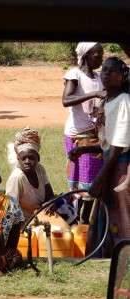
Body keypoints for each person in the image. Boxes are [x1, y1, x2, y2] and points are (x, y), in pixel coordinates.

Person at [68, 57, 130, 257]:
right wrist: (83, 149)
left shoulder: (124, 102)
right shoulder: (108, 100)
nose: (105, 74)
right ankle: (107, 256)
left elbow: (119, 145)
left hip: (120, 167)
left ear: (122, 76)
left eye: (111, 71)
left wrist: (99, 177)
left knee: (122, 214)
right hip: (110, 162)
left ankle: (124, 258)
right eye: (104, 70)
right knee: (107, 213)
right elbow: (107, 141)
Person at [62, 42, 106, 224]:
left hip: (93, 132)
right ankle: (78, 218)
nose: (100, 60)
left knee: (90, 177)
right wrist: (95, 94)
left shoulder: (99, 77)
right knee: (83, 178)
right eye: (97, 56)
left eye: (102, 56)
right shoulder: (75, 74)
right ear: (86, 56)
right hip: (77, 133)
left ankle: (83, 218)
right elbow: (66, 100)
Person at [6, 126, 76, 227]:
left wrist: (50, 203)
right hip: (27, 222)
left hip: (43, 213)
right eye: (23, 159)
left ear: (38, 158)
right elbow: (11, 211)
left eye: (31, 158)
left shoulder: (39, 169)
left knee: (65, 199)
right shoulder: (17, 178)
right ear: (18, 159)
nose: (27, 162)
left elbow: (50, 194)